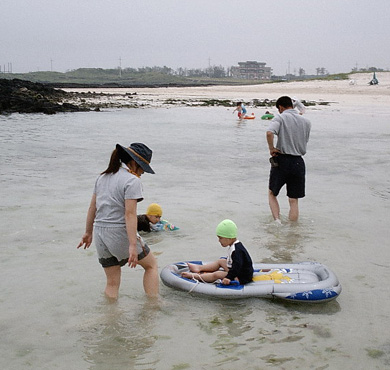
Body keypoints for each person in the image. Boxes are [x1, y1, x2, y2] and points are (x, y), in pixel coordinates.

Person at [77, 142, 159, 299]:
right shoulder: (132, 181)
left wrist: (88, 232)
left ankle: (110, 317)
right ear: (134, 163)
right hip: (118, 232)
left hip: (100, 234)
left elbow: (92, 208)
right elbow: (129, 215)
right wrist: (133, 246)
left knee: (112, 282)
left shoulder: (101, 177)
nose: (143, 173)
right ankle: (153, 307)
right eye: (142, 168)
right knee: (151, 265)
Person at [266, 96, 311, 223]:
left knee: (272, 193)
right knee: (293, 200)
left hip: (282, 160)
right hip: (298, 162)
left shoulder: (280, 117)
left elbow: (269, 133)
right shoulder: (306, 122)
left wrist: (271, 148)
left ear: (280, 107)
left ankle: (277, 221)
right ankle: (293, 231)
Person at [181, 219, 253, 285]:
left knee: (217, 274)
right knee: (221, 261)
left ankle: (195, 276)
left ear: (229, 238)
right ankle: (199, 268)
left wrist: (228, 277)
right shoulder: (235, 245)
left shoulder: (236, 250)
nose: (219, 241)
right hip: (238, 271)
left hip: (242, 277)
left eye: (221, 238)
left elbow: (237, 266)